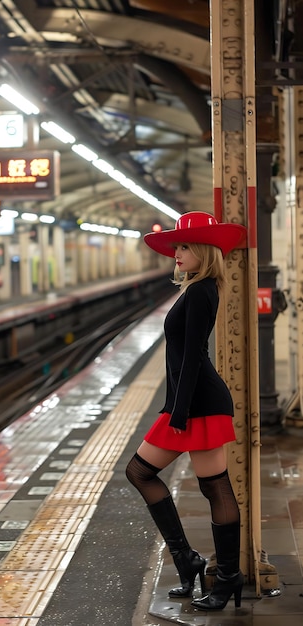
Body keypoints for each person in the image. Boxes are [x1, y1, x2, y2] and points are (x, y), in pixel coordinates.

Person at [126, 211, 247, 611]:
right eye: (176, 246)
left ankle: (226, 575)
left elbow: (193, 356)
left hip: (202, 404)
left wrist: (178, 411)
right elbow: (181, 359)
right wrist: (173, 405)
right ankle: (189, 561)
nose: (176, 253)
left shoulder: (200, 291)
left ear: (202, 250)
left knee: (210, 486)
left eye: (183, 247)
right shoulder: (197, 288)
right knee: (145, 473)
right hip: (191, 401)